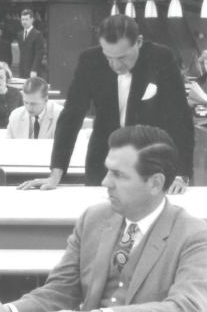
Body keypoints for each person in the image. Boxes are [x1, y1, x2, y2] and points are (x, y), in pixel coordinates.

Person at [0, 125, 207, 312]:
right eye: (107, 171)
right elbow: (60, 291)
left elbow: (188, 310)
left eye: (119, 175)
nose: (105, 182)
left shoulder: (195, 236)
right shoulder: (93, 219)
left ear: (155, 183)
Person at [21, 15, 194, 189]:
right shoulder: (90, 60)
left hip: (149, 161)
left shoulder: (161, 58)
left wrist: (181, 174)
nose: (115, 65)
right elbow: (71, 116)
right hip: (103, 160)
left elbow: (180, 118)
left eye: (122, 57)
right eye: (109, 57)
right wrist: (56, 172)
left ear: (139, 42)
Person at [17, 8, 46, 78]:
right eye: (22, 19)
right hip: (22, 70)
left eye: (26, 19)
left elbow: (39, 54)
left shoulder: (37, 34)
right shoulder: (20, 35)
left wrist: (34, 70)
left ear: (32, 19)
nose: (24, 22)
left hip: (33, 71)